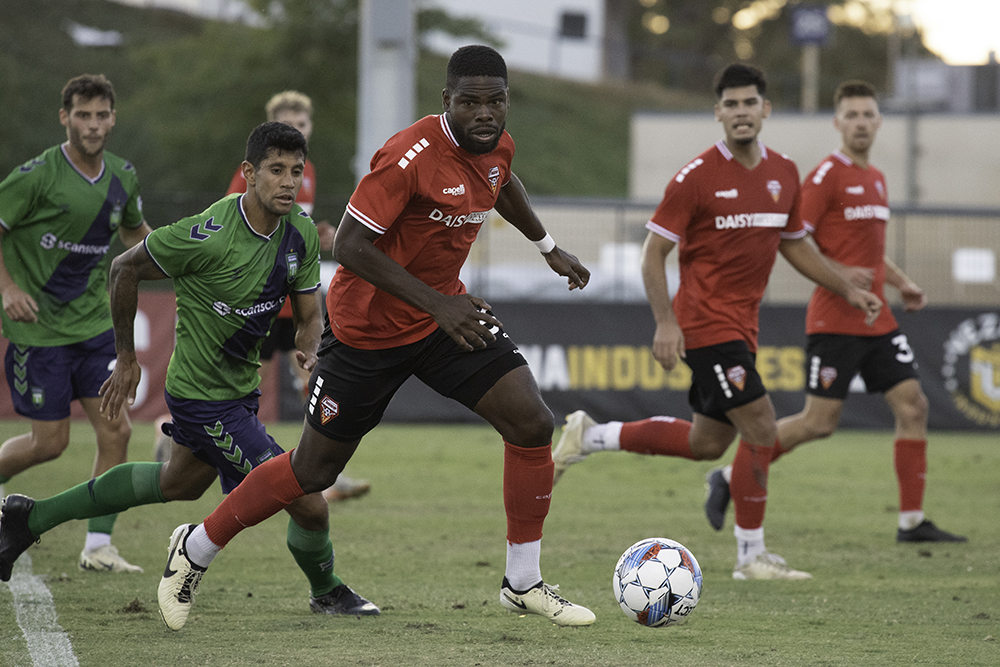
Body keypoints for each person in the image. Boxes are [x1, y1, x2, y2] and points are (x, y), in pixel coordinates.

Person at [125, 45, 596, 631]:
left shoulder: (496, 144)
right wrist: (439, 304)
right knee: (311, 473)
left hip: (440, 319)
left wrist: (548, 247)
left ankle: (522, 583)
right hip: (367, 331)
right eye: (469, 102)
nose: (485, 113)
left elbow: (501, 182)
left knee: (531, 420)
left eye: (495, 101)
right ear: (445, 101)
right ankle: (195, 547)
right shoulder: (407, 157)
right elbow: (348, 245)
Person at [0, 122, 379, 621]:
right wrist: (128, 357)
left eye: (296, 171)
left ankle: (30, 517)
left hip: (238, 392)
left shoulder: (300, 234)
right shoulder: (207, 235)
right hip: (202, 398)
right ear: (248, 173)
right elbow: (123, 269)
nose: (288, 182)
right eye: (275, 170)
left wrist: (311, 350)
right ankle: (326, 590)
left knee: (177, 482)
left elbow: (310, 317)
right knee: (306, 498)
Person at [552, 64, 882, 580]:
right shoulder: (696, 176)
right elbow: (652, 254)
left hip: (741, 328)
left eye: (749, 102)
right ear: (719, 113)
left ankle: (590, 436)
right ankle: (751, 557)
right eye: (730, 104)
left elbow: (794, 244)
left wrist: (846, 286)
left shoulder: (784, 173)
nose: (741, 112)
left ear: (765, 109)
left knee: (706, 444)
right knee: (763, 427)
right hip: (705, 326)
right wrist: (666, 323)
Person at [700, 81, 966, 543]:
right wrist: (842, 274)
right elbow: (798, 240)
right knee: (818, 424)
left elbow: (870, 253)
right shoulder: (825, 177)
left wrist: (902, 284)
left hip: (877, 318)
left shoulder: (878, 178)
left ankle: (911, 522)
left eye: (868, 114)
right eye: (852, 115)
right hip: (834, 320)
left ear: (879, 121)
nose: (861, 122)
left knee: (914, 405)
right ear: (837, 122)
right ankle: (727, 477)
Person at [155, 91, 368, 503]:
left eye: (302, 125)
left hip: (293, 292)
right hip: (255, 297)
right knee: (250, 381)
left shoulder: (307, 172)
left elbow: (293, 225)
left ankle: (317, 465)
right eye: (288, 123)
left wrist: (321, 236)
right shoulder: (253, 175)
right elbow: (237, 220)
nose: (296, 131)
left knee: (312, 374)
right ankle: (176, 430)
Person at [0, 74, 151, 573]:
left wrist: (184, 260)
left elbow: (136, 234)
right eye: (82, 115)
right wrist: (8, 288)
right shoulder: (36, 176)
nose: (92, 124)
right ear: (64, 118)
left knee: (117, 432)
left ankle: (98, 547)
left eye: (101, 114)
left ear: (113, 118)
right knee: (51, 443)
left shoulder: (122, 177)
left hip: (92, 326)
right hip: (39, 330)